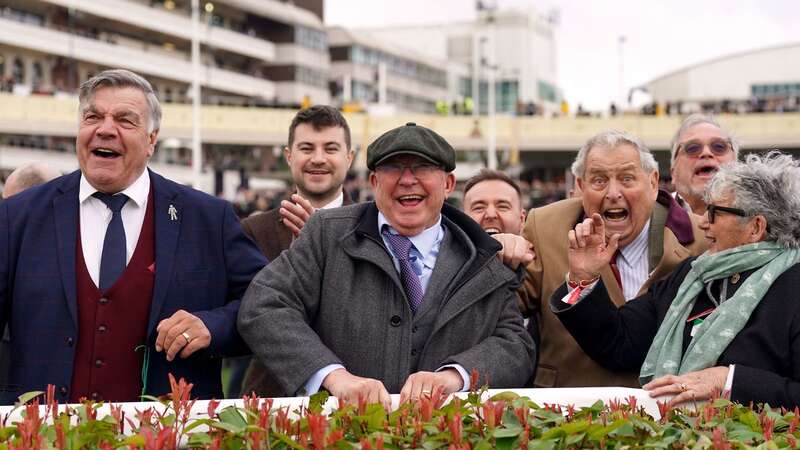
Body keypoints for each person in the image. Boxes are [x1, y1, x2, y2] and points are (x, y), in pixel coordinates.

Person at [0, 69, 266, 404]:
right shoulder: (18, 216)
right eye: (93, 116)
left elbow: (266, 304)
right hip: (43, 433)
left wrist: (213, 326)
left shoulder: (208, 219)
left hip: (168, 433)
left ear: (152, 139)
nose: (105, 129)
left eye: (125, 120)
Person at [238, 122, 534, 406]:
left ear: (448, 184)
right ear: (374, 182)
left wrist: (455, 376)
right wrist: (333, 376)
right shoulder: (326, 234)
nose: (407, 180)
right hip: (341, 437)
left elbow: (515, 345)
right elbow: (264, 305)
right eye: (393, 168)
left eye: (423, 167)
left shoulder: (482, 255)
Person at [552, 151, 800, 408]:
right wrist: (584, 278)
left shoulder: (793, 287)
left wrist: (731, 381)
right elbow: (620, 342)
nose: (703, 222)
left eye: (714, 212)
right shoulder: (693, 274)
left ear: (755, 227)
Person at [519, 130, 706, 388]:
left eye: (627, 179)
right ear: (581, 187)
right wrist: (495, 255)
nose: (613, 193)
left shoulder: (703, 237)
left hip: (669, 410)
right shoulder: (545, 227)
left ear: (653, 183)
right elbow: (504, 307)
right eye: (598, 180)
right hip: (568, 409)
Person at [238, 105, 355, 397]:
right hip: (273, 397)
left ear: (348, 158)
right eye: (306, 148)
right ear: (289, 156)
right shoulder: (254, 230)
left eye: (330, 148)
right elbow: (248, 317)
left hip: (356, 395)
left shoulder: (377, 226)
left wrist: (322, 246)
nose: (318, 159)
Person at [670, 114, 739, 215]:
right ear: (673, 173)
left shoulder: (762, 216)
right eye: (692, 148)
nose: (706, 153)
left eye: (719, 146)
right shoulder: (649, 216)